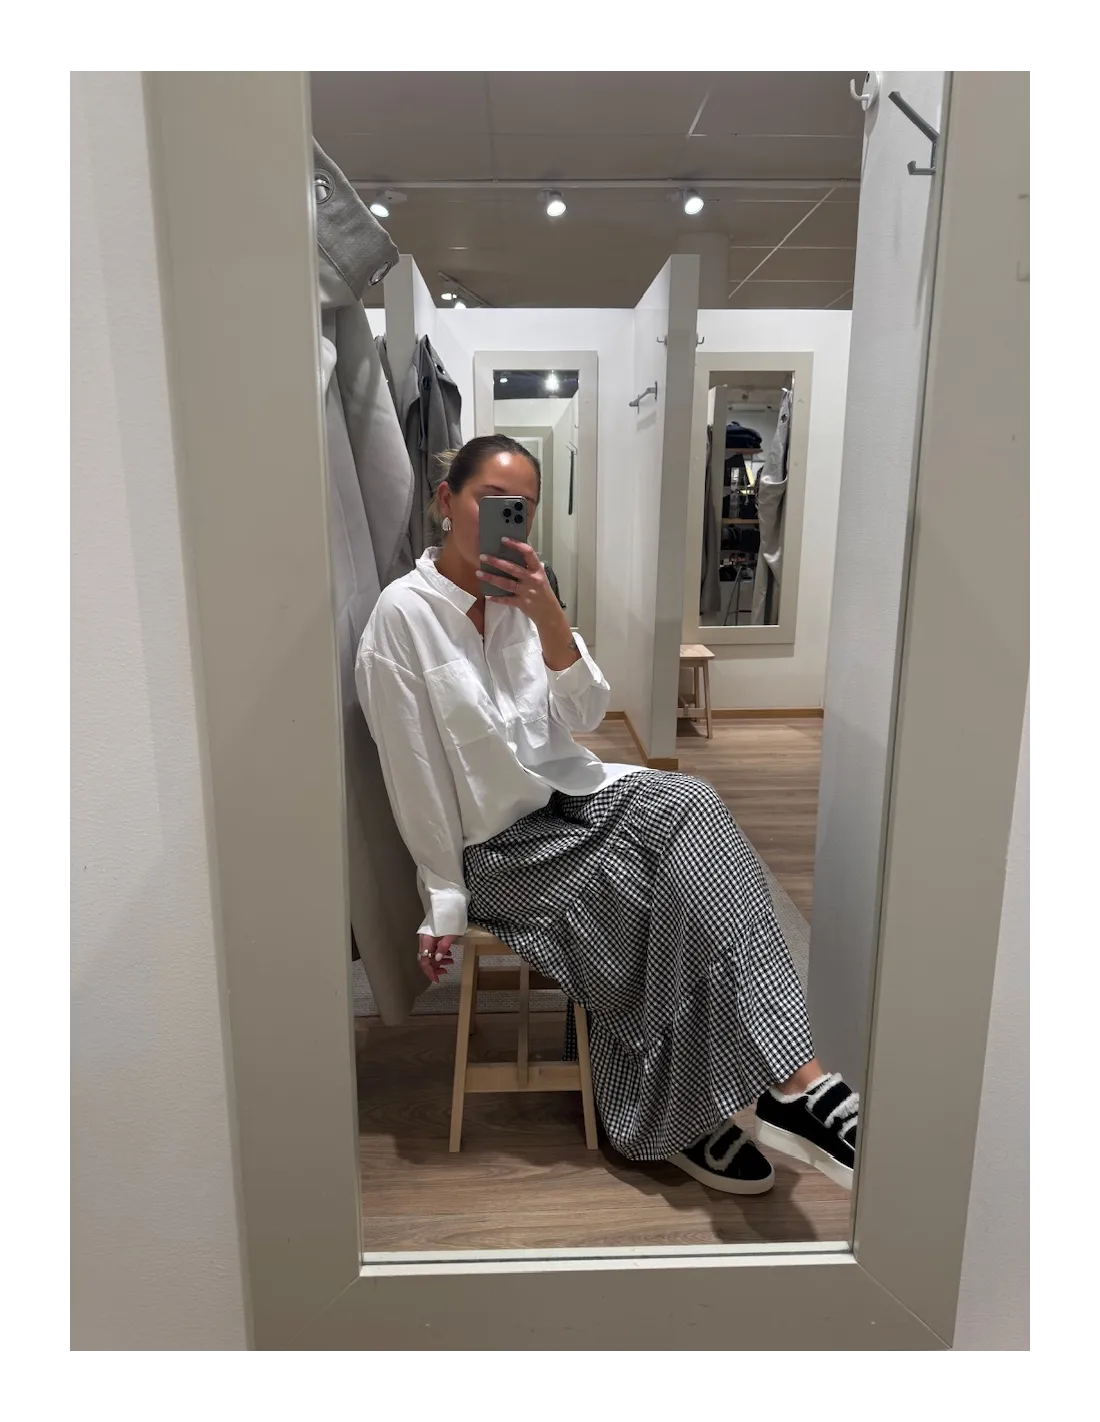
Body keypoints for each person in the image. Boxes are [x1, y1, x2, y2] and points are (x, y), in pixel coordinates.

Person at [356, 434, 859, 1195]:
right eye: (490, 501)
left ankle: (788, 1081)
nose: (507, 518)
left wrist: (550, 619)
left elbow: (585, 713)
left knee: (689, 805)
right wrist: (443, 900)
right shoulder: (402, 618)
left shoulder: (530, 597)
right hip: (498, 850)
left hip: (572, 801)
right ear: (446, 501)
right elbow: (414, 775)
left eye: (521, 507)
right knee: (643, 894)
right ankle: (697, 1107)